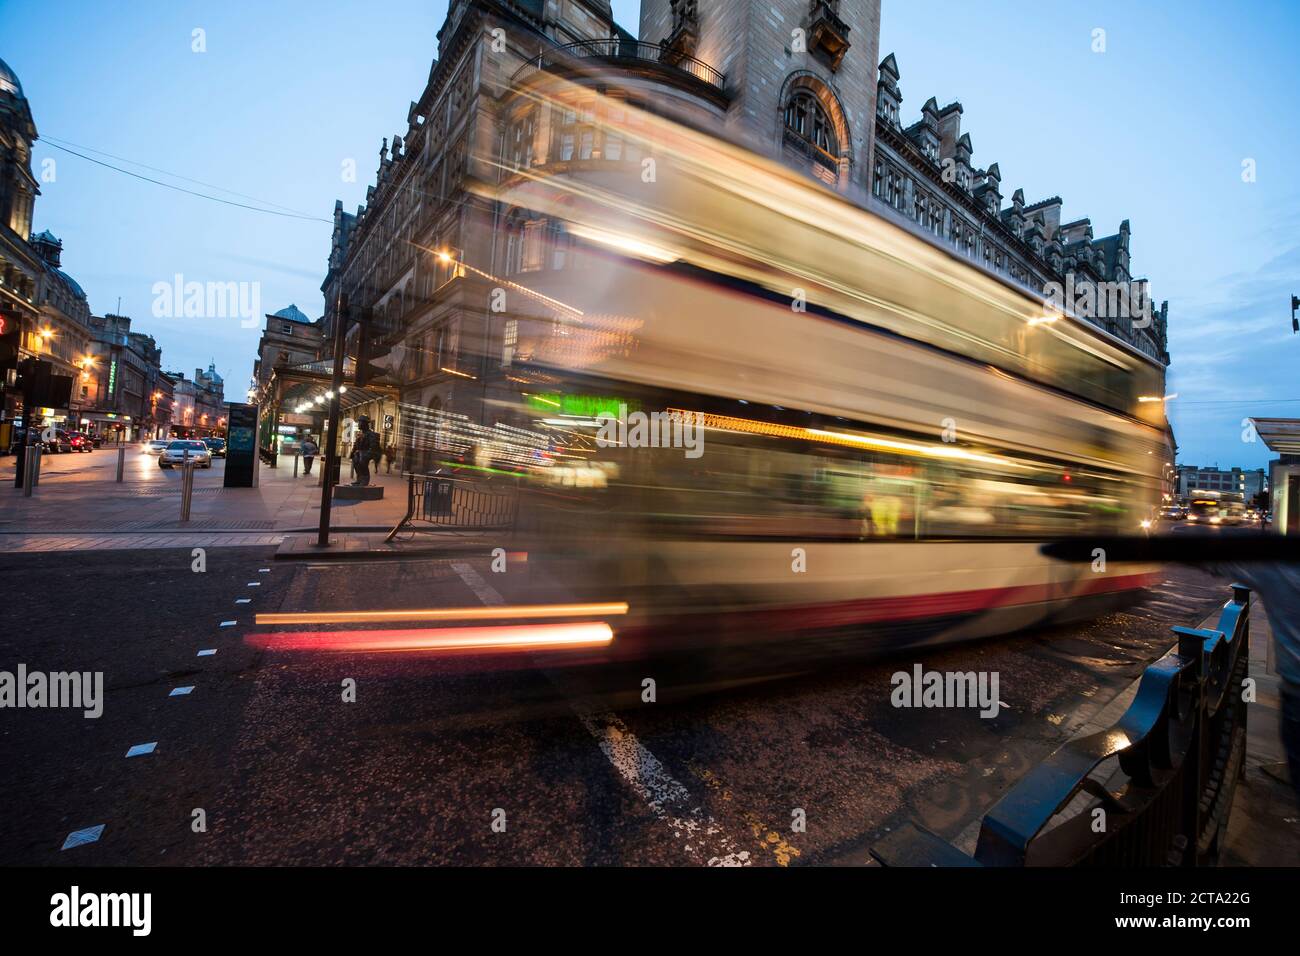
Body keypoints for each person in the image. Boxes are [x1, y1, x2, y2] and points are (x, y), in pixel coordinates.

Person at [350, 416, 381, 486]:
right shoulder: (360, 434)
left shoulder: (371, 434)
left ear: (364, 424)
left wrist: (366, 453)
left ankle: (365, 479)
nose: (358, 424)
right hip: (361, 453)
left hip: (370, 453)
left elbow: (373, 447)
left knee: (362, 459)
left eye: (360, 422)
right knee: (355, 459)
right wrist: (353, 452)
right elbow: (356, 445)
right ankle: (359, 479)